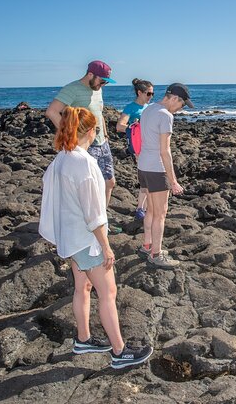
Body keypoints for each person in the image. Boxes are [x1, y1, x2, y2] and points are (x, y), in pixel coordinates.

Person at [39, 106, 153, 369]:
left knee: (83, 287)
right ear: (91, 131)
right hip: (86, 241)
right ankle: (119, 351)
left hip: (70, 238)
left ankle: (83, 339)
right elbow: (94, 214)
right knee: (108, 291)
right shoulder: (84, 163)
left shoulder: (62, 158)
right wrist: (106, 246)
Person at [136, 83, 194, 269]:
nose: (180, 109)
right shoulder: (165, 115)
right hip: (156, 169)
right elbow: (165, 151)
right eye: (182, 104)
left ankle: (147, 245)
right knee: (160, 214)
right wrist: (173, 180)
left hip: (143, 167)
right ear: (175, 98)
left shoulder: (149, 109)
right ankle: (156, 254)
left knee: (151, 210)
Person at [45, 60, 117, 208]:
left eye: (106, 82)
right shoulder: (72, 89)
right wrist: (72, 135)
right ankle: (90, 223)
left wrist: (105, 134)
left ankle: (101, 219)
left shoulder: (98, 88)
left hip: (102, 142)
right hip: (85, 145)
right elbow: (51, 111)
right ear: (90, 74)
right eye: (102, 81)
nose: (103, 85)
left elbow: (99, 113)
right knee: (90, 186)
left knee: (109, 182)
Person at [116, 78, 155, 220]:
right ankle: (140, 209)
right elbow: (119, 126)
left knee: (150, 179)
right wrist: (134, 128)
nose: (151, 96)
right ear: (140, 92)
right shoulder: (131, 108)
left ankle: (144, 209)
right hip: (140, 149)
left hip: (152, 147)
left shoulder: (150, 107)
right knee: (146, 180)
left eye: (153, 94)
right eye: (149, 93)